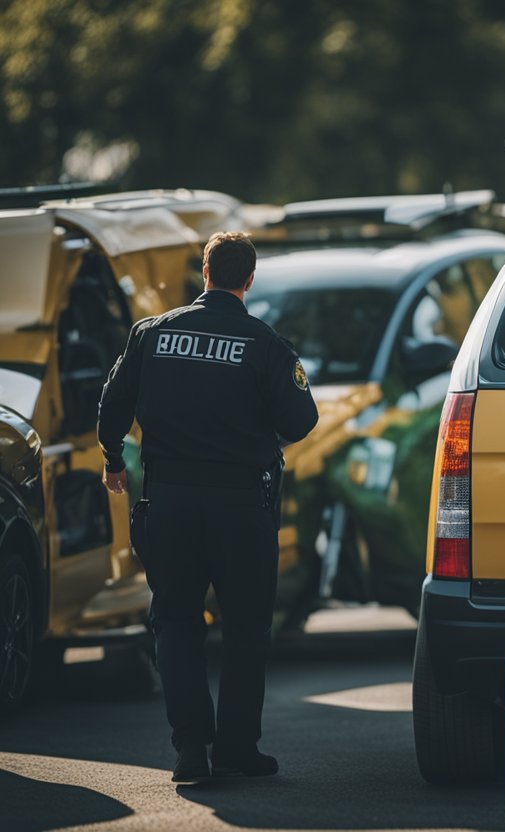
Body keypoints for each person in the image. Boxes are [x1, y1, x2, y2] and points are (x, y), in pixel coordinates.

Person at [97, 231, 318, 784]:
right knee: (245, 628)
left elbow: (112, 405)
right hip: (242, 508)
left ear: (205, 273)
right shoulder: (265, 344)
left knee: (175, 624)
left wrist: (114, 461)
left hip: (168, 503)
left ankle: (191, 750)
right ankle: (238, 748)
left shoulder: (152, 334)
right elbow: (301, 422)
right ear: (249, 279)